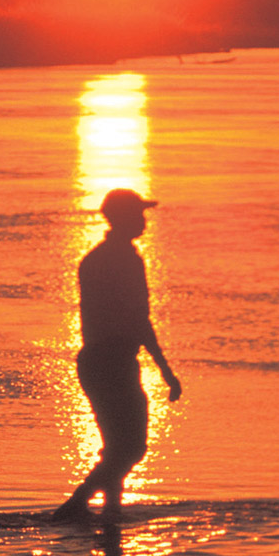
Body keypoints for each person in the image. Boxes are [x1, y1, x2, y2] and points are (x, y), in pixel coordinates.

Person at [52, 188, 182, 521]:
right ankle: (75, 506)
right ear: (123, 218)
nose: (144, 220)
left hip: (95, 360)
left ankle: (110, 514)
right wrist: (165, 370)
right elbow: (138, 318)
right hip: (114, 362)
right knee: (132, 447)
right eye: (138, 214)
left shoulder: (93, 258)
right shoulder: (126, 259)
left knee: (116, 447)